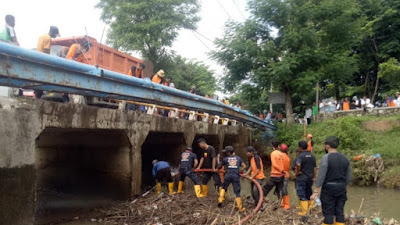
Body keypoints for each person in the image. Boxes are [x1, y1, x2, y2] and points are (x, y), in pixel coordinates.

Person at [311, 137, 351, 225]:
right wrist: (345, 190)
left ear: (327, 146)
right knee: (340, 213)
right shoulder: (345, 158)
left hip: (329, 188)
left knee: (328, 213)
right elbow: (348, 178)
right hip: (341, 187)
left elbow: (321, 176)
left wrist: (316, 191)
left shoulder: (326, 158)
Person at [217, 146, 246, 212]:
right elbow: (244, 166)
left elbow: (219, 166)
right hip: (236, 176)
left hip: (227, 175)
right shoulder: (238, 158)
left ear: (228, 153)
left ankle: (220, 200)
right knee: (237, 192)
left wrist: (217, 169)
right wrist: (239, 171)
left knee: (224, 187)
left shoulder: (225, 159)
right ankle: (240, 208)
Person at [294, 141, 317, 216]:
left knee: (301, 194)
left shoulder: (300, 156)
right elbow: (315, 168)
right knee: (309, 192)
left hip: (302, 178)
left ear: (300, 147)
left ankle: (304, 212)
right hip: (310, 178)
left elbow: (298, 164)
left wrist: (297, 172)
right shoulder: (312, 156)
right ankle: (311, 207)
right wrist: (314, 177)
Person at [280, 144, 291, 210]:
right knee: (283, 189)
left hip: (284, 175)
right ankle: (284, 203)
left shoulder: (281, 156)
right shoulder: (287, 157)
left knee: (284, 189)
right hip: (286, 174)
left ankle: (287, 204)